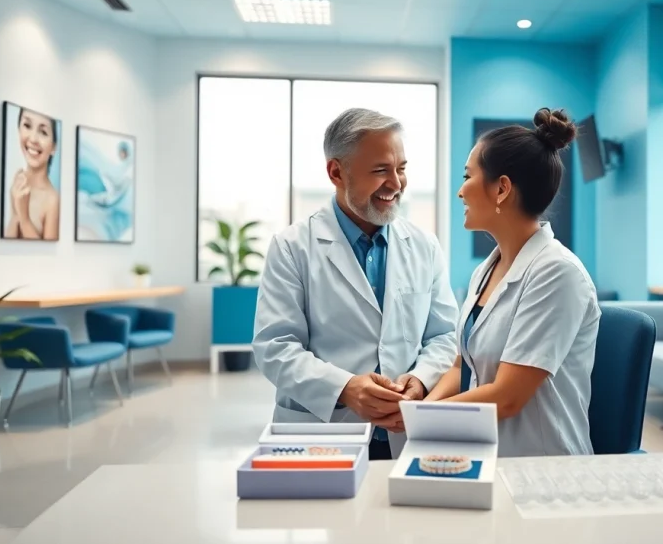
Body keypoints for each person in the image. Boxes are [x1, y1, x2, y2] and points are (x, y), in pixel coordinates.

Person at [252, 107, 459, 460]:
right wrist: (345, 388)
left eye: (401, 168)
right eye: (381, 171)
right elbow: (275, 347)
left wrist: (422, 378)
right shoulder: (292, 247)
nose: (396, 183)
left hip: (407, 432)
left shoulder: (424, 245)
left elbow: (444, 335)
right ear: (337, 172)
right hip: (324, 432)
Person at [424, 108, 600, 457]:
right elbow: (462, 365)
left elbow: (507, 397)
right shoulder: (485, 272)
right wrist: (422, 408)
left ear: (501, 188)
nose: (460, 192)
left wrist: (425, 420)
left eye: (467, 177)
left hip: (541, 467)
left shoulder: (558, 273)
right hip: (487, 452)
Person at [4, 107, 60, 240]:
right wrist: (16, 214)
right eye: (27, 126)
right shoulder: (18, 183)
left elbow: (48, 255)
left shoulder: (52, 199)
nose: (33, 139)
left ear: (53, 147)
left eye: (43, 132)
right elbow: (9, 241)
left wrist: (24, 217)